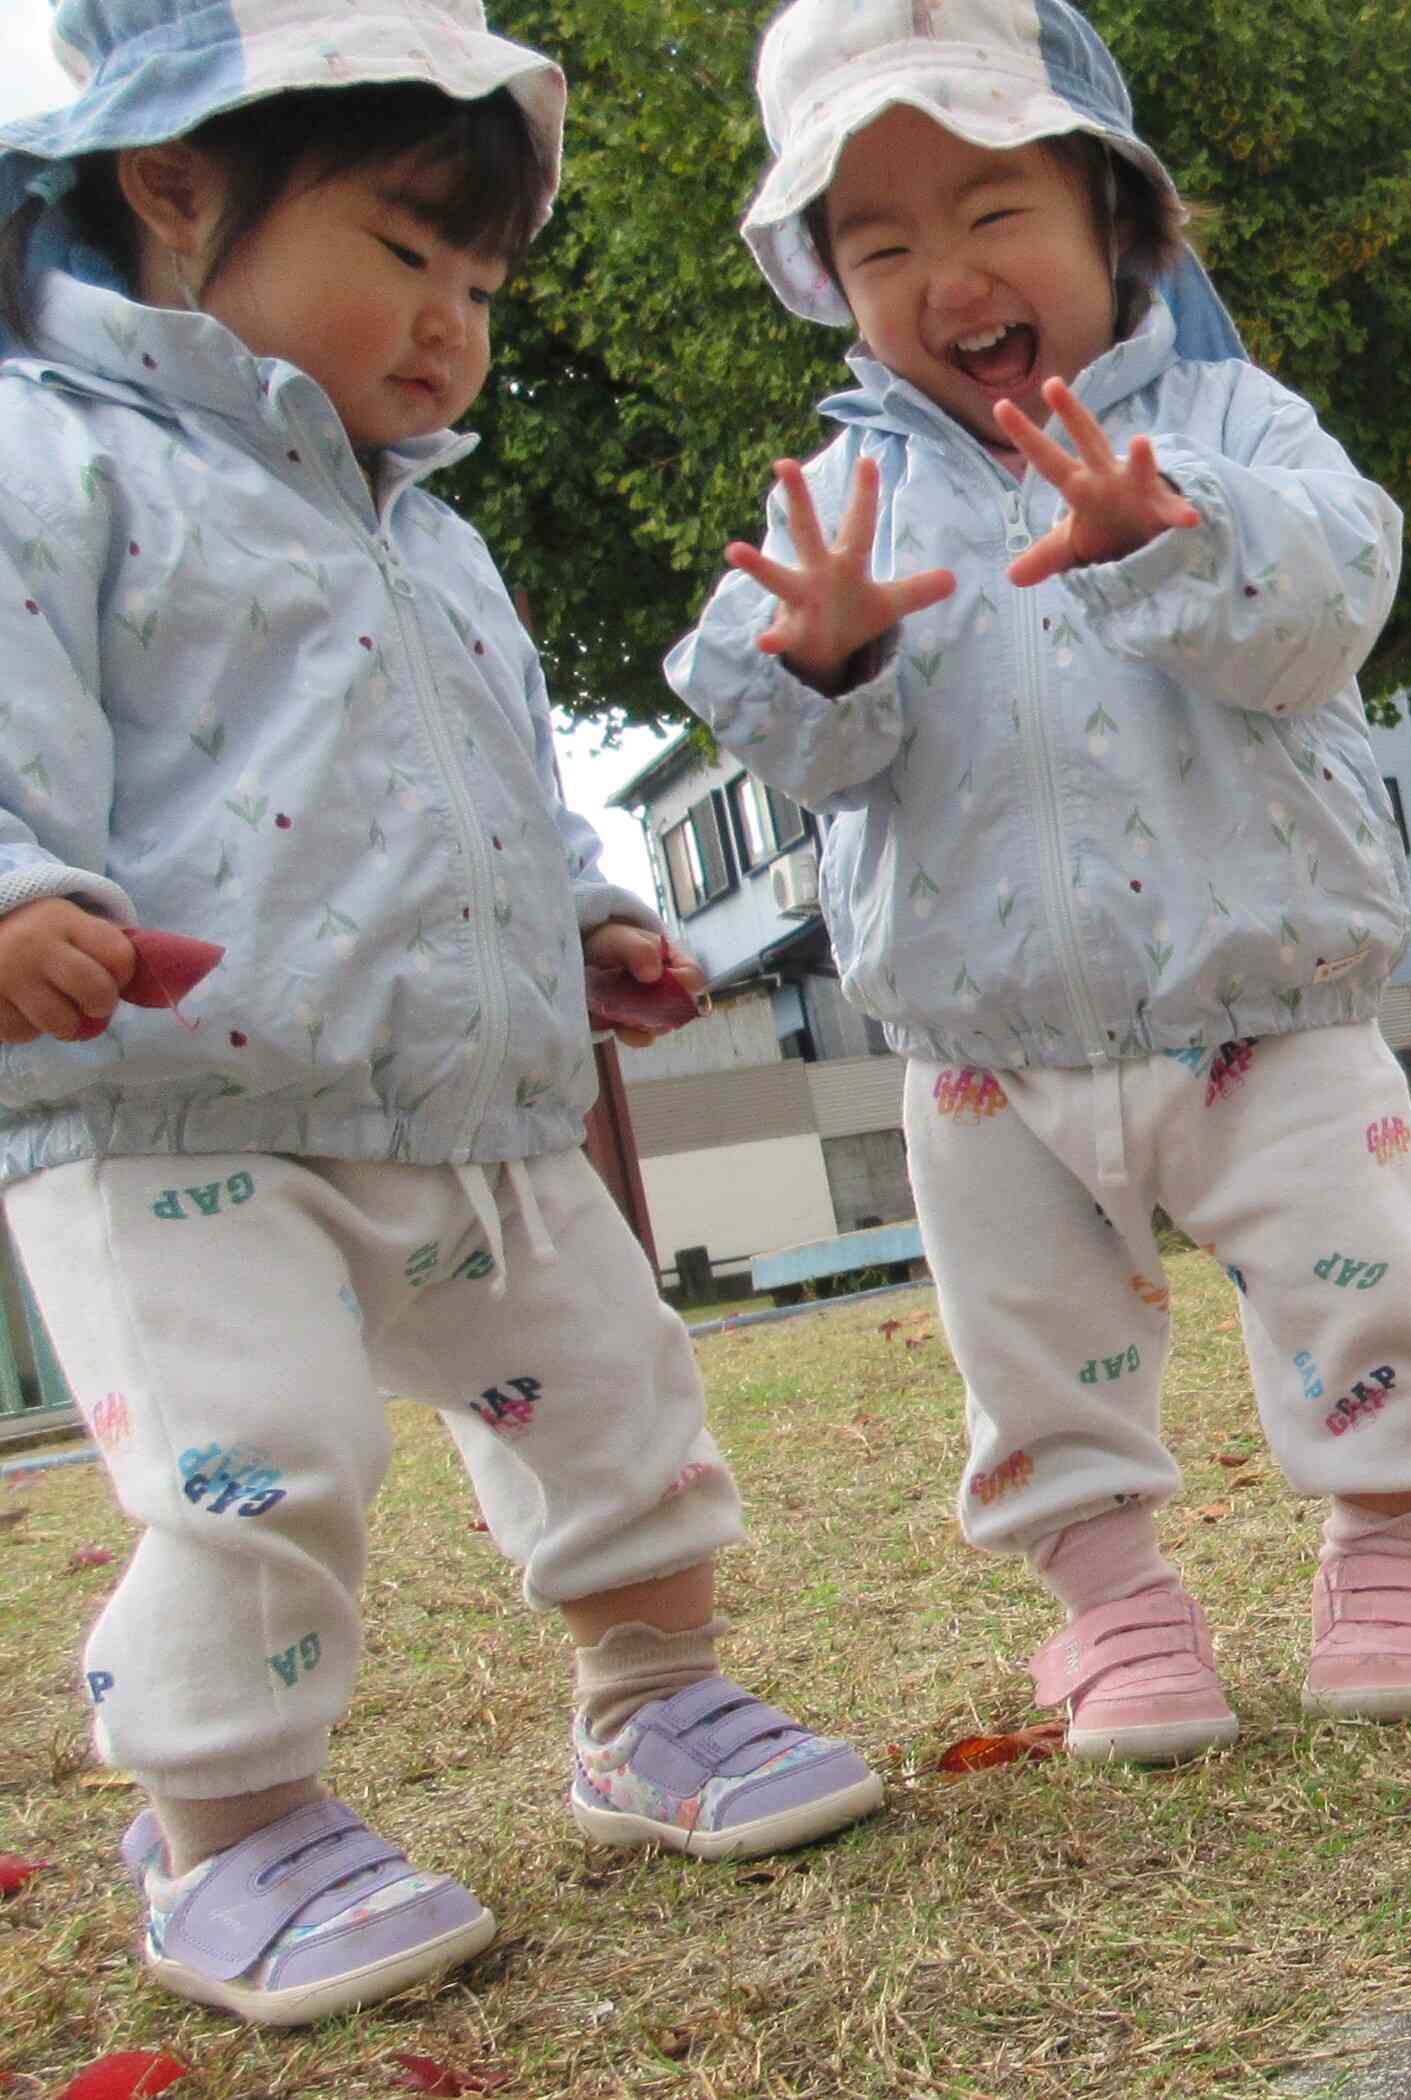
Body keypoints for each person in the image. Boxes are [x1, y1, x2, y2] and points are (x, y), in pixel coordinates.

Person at [0, 0, 880, 2029]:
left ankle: (650, 1703)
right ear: (172, 181)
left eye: (480, 282)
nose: (454, 324)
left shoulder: (431, 527)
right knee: (261, 1466)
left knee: (616, 1392)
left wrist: (576, 920)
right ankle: (223, 1829)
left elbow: (490, 781)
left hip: (471, 1106)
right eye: (406, 256)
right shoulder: (52, 459)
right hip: (173, 1109)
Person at [667, 0, 1411, 1765]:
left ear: (1114, 223)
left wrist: (1167, 524)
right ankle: (1115, 1610)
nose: (945, 275)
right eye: (880, 242)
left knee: (1366, 1284)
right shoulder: (846, 491)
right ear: (829, 281)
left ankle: (1392, 1550)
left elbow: (1333, 605)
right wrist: (815, 664)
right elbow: (791, 753)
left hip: (1262, 995)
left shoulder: (1235, 417)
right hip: (983, 1035)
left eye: (990, 214)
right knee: (1030, 1348)